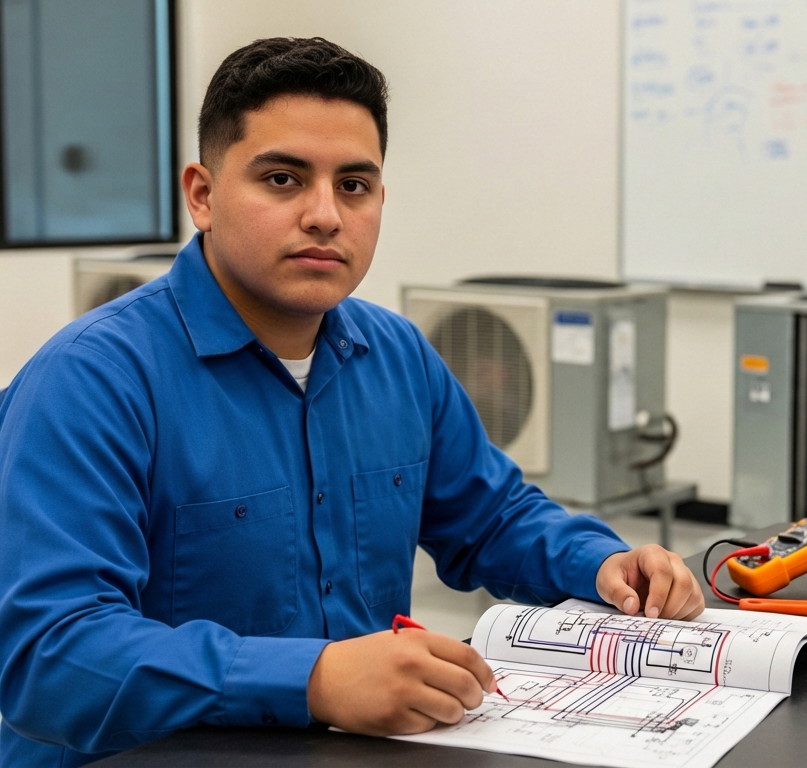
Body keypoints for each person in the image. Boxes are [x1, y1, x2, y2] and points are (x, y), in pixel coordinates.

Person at [0, 37, 704, 766]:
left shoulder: (395, 356)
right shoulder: (91, 381)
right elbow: (50, 655)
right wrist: (314, 678)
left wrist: (600, 566)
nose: (325, 215)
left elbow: (491, 519)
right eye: (282, 179)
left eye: (355, 185)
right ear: (202, 195)